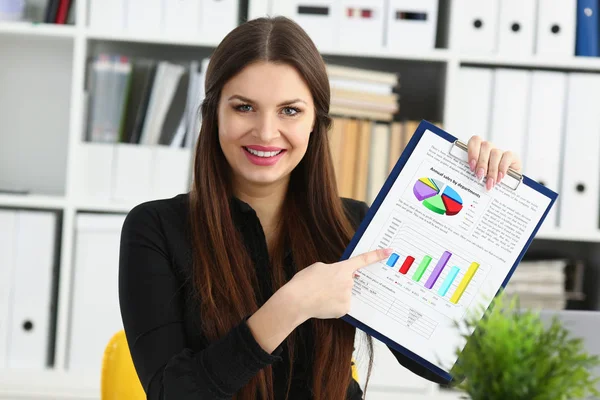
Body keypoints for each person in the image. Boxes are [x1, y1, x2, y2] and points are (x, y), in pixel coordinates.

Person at [118, 16, 522, 400]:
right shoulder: (155, 228)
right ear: (213, 114)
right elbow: (172, 393)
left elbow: (450, 365)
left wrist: (488, 206)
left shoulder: (352, 225)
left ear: (315, 122)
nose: (265, 131)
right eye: (243, 107)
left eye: (289, 111)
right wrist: (290, 306)